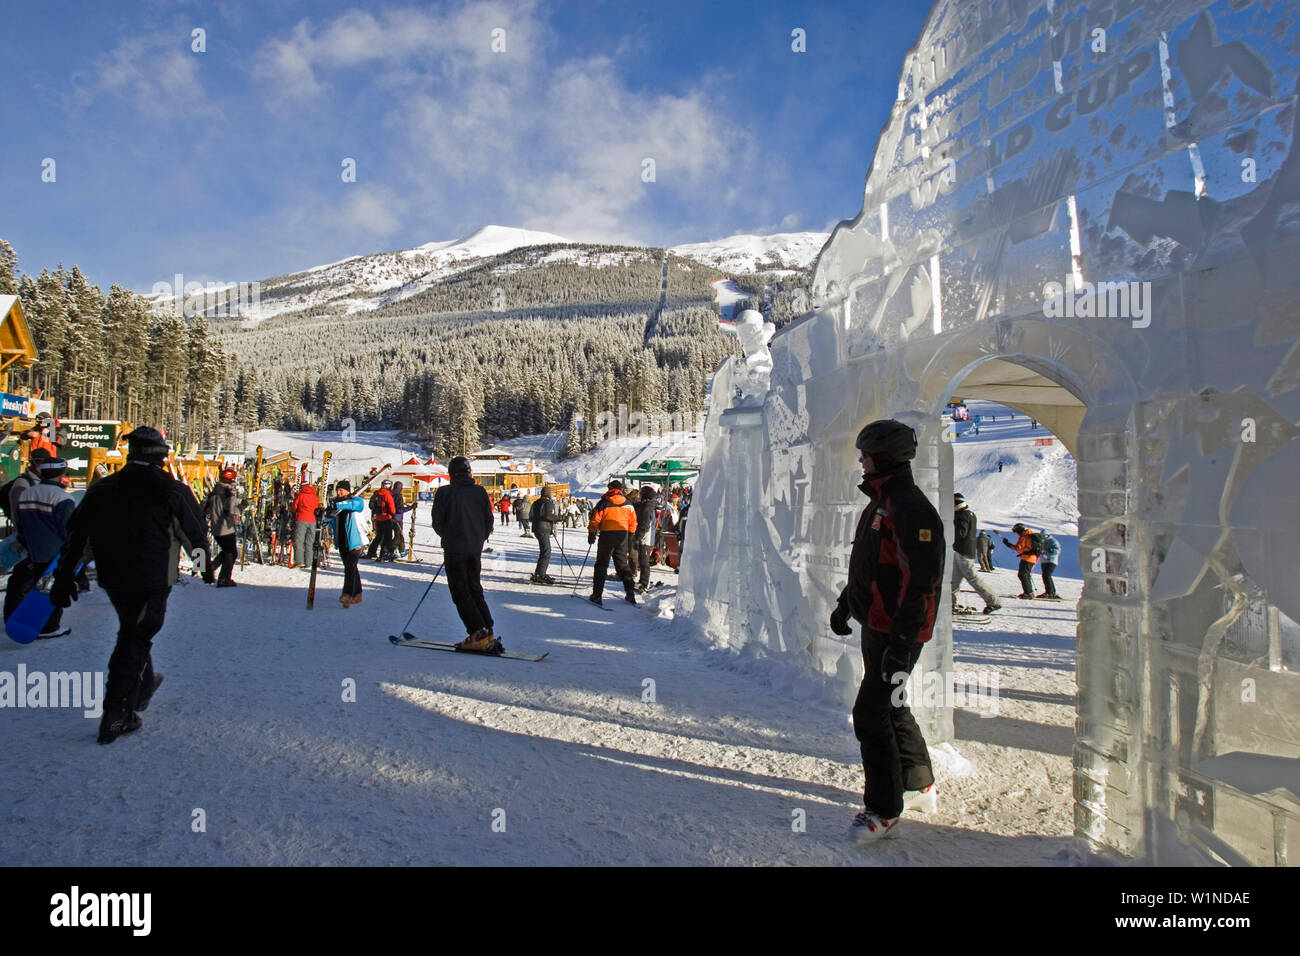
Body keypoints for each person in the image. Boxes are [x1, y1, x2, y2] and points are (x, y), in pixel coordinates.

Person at [49, 427, 209, 744]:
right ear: (161, 457)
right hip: (152, 578)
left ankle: (143, 686)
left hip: (113, 577)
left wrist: (66, 575)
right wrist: (203, 569)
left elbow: (76, 536)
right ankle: (117, 714)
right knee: (134, 638)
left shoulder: (101, 489)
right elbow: (197, 534)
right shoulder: (172, 490)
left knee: (134, 630)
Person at [828, 419, 944, 838]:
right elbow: (871, 565)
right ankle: (917, 782)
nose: (861, 462)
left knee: (869, 712)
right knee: (891, 704)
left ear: (886, 458)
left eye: (867, 455)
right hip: (877, 625)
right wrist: (847, 603)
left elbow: (923, 583)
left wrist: (902, 641)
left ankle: (883, 809)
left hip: (897, 631)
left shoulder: (909, 508)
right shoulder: (880, 503)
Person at [432, 456, 499, 653]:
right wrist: (478, 538)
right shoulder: (479, 491)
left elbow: (438, 523)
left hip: (455, 548)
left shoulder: (445, 492)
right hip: (474, 547)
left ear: (451, 474)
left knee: (461, 592)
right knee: (475, 589)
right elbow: (489, 519)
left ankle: (478, 632)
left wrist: (450, 535)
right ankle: (487, 629)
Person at [7, 457, 76, 638]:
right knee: (54, 589)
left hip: (33, 550)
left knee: (34, 588)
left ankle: (29, 620)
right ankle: (50, 627)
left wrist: (24, 541)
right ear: (61, 474)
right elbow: (68, 529)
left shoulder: (27, 494)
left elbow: (20, 522)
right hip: (55, 553)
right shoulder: (62, 497)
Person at [587, 479, 638, 606]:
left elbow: (595, 520)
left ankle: (597, 595)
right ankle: (630, 593)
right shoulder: (628, 503)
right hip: (622, 535)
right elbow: (633, 522)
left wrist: (591, 533)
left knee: (601, 565)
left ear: (609, 489)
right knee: (622, 565)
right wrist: (630, 535)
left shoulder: (603, 503)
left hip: (607, 535)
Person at [950, 493, 1000, 614]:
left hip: (963, 552)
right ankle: (950, 603)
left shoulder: (963, 514)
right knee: (953, 580)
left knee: (972, 578)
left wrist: (949, 529)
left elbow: (961, 533)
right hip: (961, 551)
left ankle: (994, 601)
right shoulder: (968, 513)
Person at [203, 467, 241, 587]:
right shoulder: (228, 492)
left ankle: (211, 568)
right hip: (225, 527)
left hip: (215, 526)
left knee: (227, 550)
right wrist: (242, 506)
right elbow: (231, 510)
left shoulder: (215, 491)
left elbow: (207, 508)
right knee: (231, 552)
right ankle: (224, 578)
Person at [333, 481, 365, 606]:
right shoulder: (337, 504)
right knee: (351, 568)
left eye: (341, 490)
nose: (338, 492)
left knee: (349, 568)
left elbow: (358, 505)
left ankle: (347, 594)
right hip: (342, 541)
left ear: (347, 490)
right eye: (337, 490)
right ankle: (357, 594)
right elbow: (329, 518)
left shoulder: (354, 501)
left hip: (355, 541)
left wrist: (339, 504)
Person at [527, 486, 558, 584]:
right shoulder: (548, 502)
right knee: (546, 552)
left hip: (537, 528)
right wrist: (557, 518)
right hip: (543, 528)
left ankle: (539, 573)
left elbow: (531, 517)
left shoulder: (536, 502)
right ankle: (541, 574)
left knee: (544, 551)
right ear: (548, 493)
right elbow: (547, 515)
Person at [1000, 523, 1040, 598]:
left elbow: (1018, 548)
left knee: (1023, 575)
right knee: (1025, 575)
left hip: (1027, 558)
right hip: (1031, 558)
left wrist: (1007, 544)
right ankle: (1028, 592)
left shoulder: (1024, 536)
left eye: (1016, 531)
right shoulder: (1028, 534)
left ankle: (1028, 593)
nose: (1016, 534)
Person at [632, 485, 657, 591]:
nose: (640, 496)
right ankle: (642, 582)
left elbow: (644, 525)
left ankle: (644, 583)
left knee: (644, 562)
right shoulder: (647, 505)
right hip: (645, 537)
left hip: (646, 538)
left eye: (641, 494)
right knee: (642, 561)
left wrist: (638, 537)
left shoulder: (647, 508)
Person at [291, 481, 320, 569]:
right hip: (312, 520)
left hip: (301, 519)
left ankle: (299, 561)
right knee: (309, 542)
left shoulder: (300, 495)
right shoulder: (315, 496)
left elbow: (294, 507)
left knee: (299, 540)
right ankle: (308, 562)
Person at [366, 479, 397, 560]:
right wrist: (393, 515)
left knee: (379, 536)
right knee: (387, 536)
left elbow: (371, 506)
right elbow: (391, 506)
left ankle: (371, 551)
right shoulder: (387, 494)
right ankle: (384, 553)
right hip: (386, 517)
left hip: (378, 518)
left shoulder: (377, 493)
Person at [1039, 532, 1061, 599]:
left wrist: (1049, 550)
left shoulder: (1052, 541)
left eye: (1044, 535)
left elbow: (1057, 550)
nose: (1043, 536)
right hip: (1044, 561)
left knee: (1047, 575)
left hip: (1051, 560)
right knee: (1045, 576)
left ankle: (1050, 592)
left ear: (1047, 535)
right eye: (1041, 535)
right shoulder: (1042, 541)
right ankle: (1050, 592)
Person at [391, 481, 407, 558]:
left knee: (399, 535)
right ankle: (390, 550)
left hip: (390, 518)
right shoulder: (398, 496)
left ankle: (402, 550)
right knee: (398, 535)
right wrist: (410, 508)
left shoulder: (390, 494)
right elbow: (399, 509)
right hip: (397, 518)